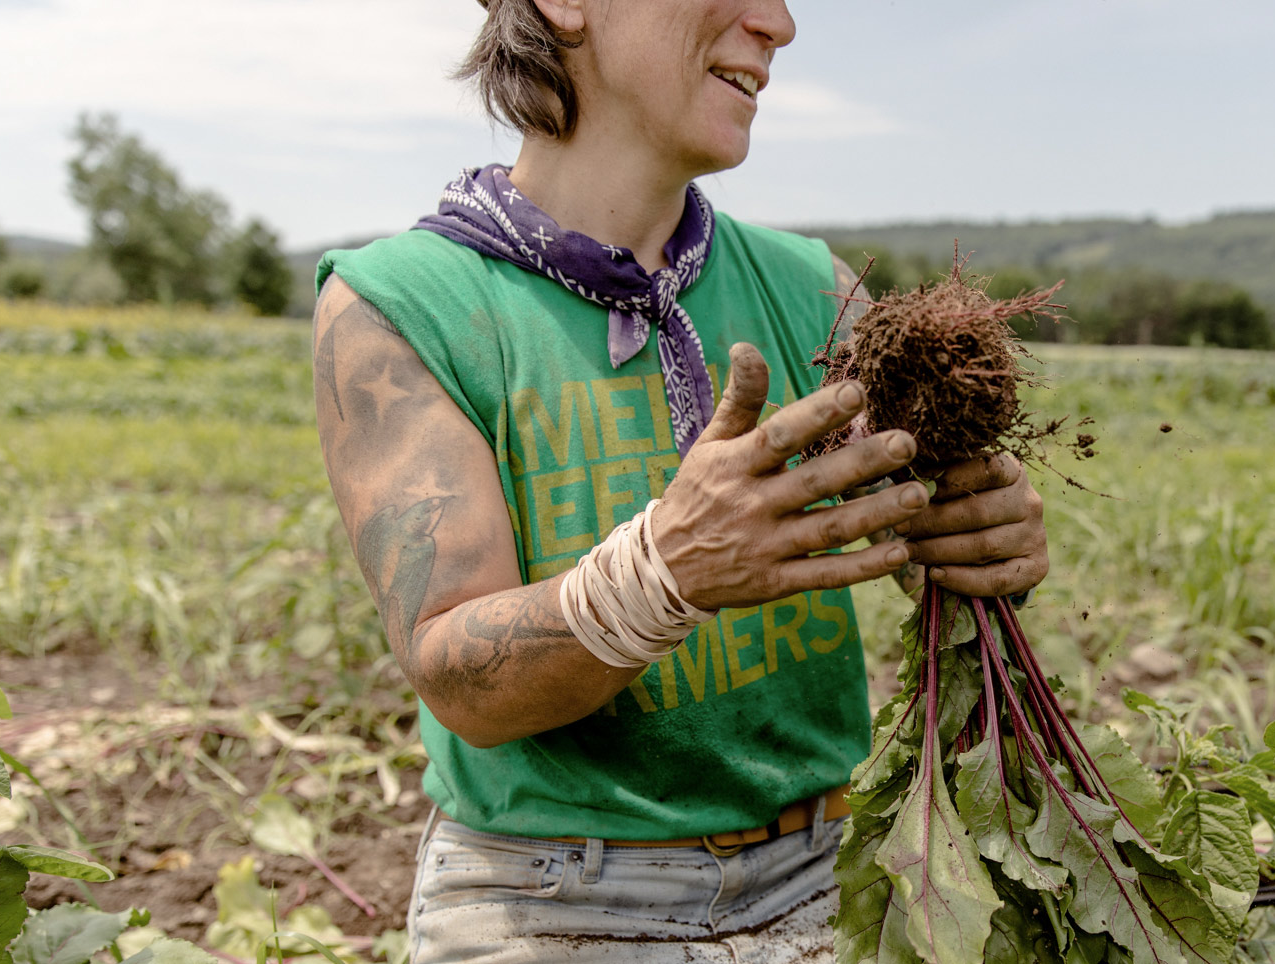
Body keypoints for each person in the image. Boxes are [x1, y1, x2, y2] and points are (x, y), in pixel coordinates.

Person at [310, 1, 1050, 960]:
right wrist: (662, 573)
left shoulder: (814, 289)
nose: (778, 24)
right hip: (549, 897)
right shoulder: (402, 305)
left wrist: (983, 540)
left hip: (841, 868)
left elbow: (919, 542)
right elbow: (463, 682)